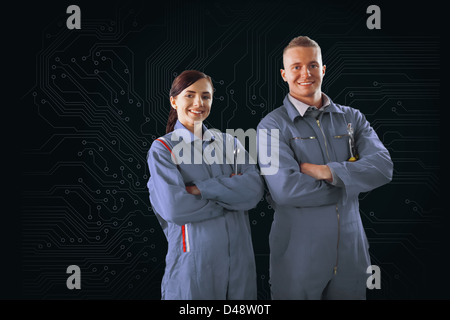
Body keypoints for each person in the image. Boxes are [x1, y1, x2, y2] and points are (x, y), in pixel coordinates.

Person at [257, 36, 393, 299]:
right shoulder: (271, 126)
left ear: (323, 69)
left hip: (351, 256)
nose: (305, 73)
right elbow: (286, 190)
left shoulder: (352, 118)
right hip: (298, 258)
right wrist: (350, 183)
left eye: (312, 65)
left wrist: (328, 172)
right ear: (284, 74)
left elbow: (383, 167)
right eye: (296, 67)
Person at [147, 70, 264, 300]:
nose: (198, 103)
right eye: (189, 95)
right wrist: (231, 199)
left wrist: (201, 190)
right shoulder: (163, 149)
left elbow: (254, 189)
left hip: (240, 266)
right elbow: (175, 208)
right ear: (174, 101)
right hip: (194, 268)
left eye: (206, 96)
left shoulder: (230, 143)